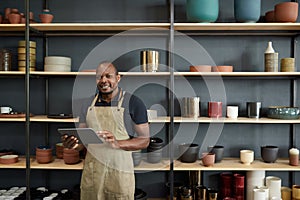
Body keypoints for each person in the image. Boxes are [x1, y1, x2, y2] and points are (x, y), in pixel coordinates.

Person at [62, 61, 150, 200]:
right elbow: (83, 143)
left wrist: (117, 143)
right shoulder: (87, 104)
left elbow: (144, 140)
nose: (103, 80)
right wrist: (74, 145)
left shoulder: (133, 102)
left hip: (119, 173)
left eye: (108, 76)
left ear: (118, 78)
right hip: (93, 173)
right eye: (99, 77)